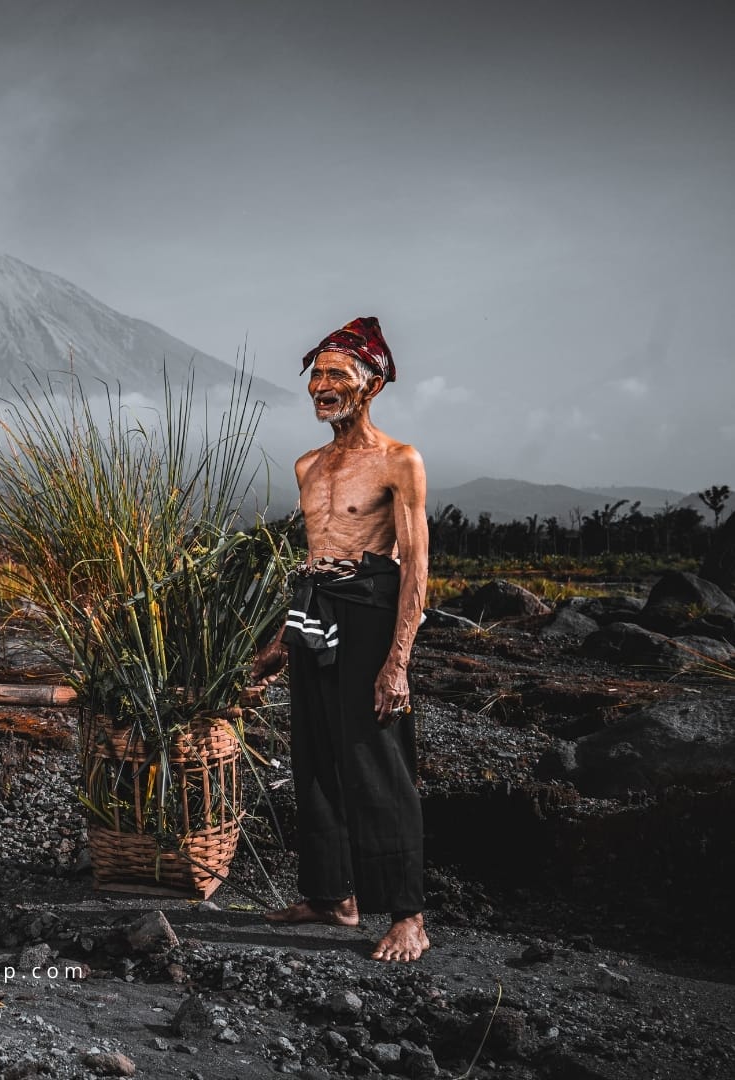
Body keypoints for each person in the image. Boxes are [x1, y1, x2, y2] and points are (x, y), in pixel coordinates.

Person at [251, 316, 431, 962]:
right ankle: (333, 896)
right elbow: (315, 564)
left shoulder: (399, 462)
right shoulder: (308, 466)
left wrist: (398, 663)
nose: (321, 386)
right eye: (317, 375)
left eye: (336, 375)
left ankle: (408, 914)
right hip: (317, 611)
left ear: (371, 385)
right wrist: (276, 648)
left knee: (378, 765)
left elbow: (415, 567)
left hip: (373, 615)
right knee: (316, 756)